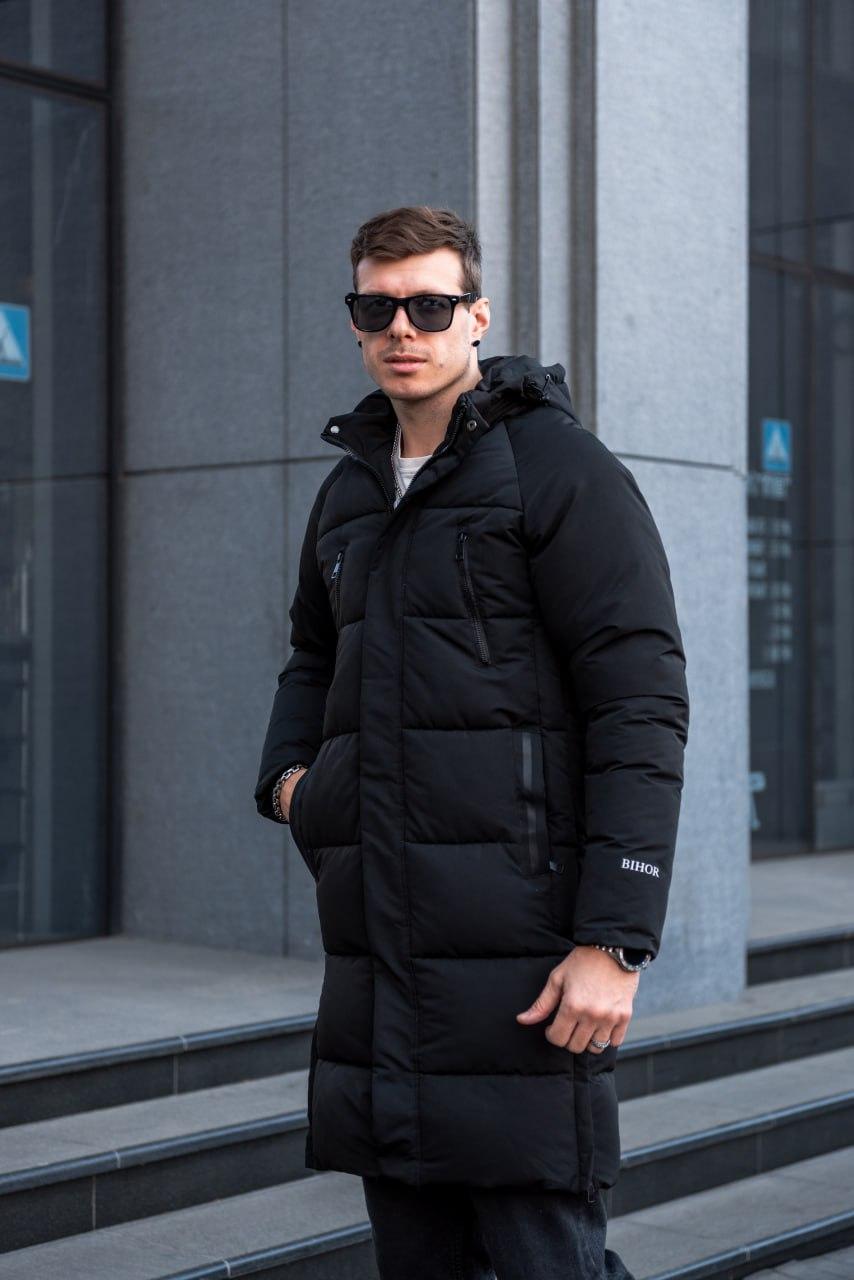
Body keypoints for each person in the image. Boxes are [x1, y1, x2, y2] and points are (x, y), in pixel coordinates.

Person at [255, 205, 689, 1279]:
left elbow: (638, 703)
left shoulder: (559, 469)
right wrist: (293, 784)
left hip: (523, 957)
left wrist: (616, 938)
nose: (402, 328)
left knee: (549, 1260)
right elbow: (310, 657)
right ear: (355, 322)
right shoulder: (349, 492)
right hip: (380, 954)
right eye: (377, 309)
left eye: (429, 305)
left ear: (477, 316)